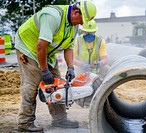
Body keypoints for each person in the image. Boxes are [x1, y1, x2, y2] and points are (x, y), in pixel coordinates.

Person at [14, 0, 96, 132]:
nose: (81, 24)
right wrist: (44, 70)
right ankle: (25, 123)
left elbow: (68, 47)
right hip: (28, 48)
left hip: (46, 52)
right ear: (76, 12)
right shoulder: (52, 16)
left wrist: (70, 67)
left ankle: (60, 119)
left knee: (58, 85)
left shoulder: (73, 25)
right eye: (81, 20)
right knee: (32, 85)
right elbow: (40, 45)